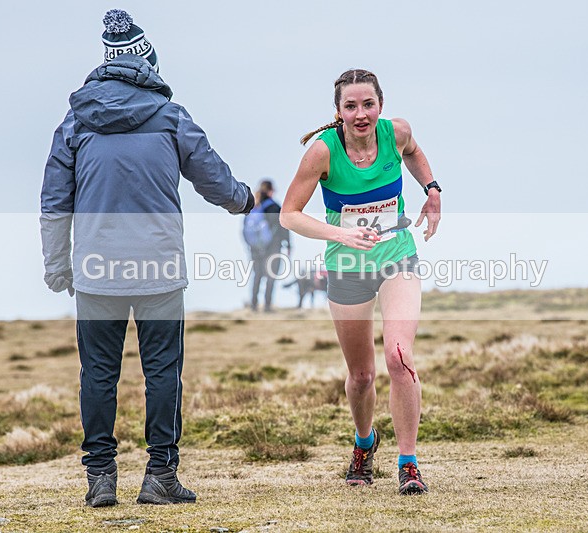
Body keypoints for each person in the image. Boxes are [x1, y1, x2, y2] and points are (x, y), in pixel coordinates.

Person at [40, 9, 254, 507]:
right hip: (158, 267)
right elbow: (215, 180)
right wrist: (244, 200)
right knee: (162, 372)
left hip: (96, 269)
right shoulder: (170, 116)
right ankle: (160, 475)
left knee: (97, 374)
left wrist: (57, 266)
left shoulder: (75, 122)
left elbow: (54, 201)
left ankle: (100, 479)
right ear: (147, 61)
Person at [280, 69, 441, 495]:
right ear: (338, 112)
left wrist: (432, 189)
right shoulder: (322, 152)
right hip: (347, 267)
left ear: (380, 106)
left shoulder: (397, 132)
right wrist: (341, 233)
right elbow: (289, 214)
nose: (360, 114)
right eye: (351, 106)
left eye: (367, 104)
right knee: (362, 376)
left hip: (396, 259)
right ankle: (364, 443)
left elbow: (415, 152)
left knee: (399, 356)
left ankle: (408, 463)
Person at [244, 180, 291, 312]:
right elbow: (284, 226)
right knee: (271, 277)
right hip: (273, 248)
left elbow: (246, 230)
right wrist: (288, 245)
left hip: (255, 249)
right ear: (271, 191)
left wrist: (252, 246)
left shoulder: (253, 207)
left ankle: (254, 305)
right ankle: (267, 306)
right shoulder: (274, 207)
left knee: (257, 276)